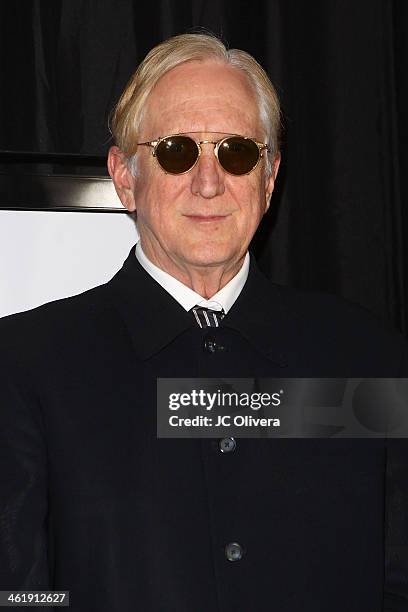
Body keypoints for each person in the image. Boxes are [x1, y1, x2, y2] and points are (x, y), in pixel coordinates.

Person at [1, 33, 407, 612]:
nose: (209, 181)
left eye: (237, 152)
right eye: (175, 151)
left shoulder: (369, 358)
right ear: (124, 176)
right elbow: (17, 593)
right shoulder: (25, 367)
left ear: (268, 180)